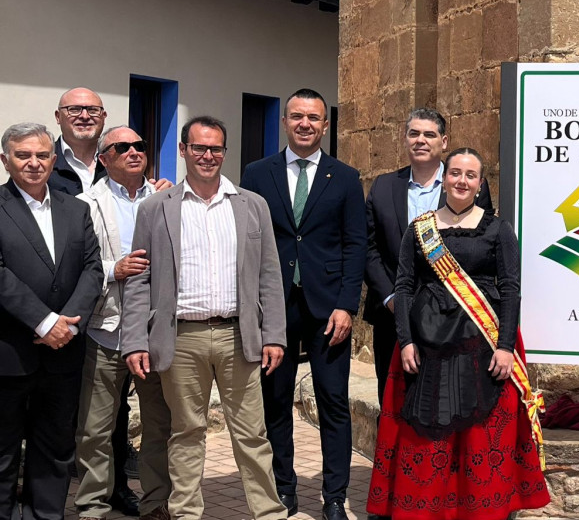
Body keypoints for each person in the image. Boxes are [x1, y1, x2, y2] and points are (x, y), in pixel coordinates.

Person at [121, 116, 288, 520]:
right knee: (186, 433)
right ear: (183, 150)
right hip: (181, 337)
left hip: (238, 335)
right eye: (199, 148)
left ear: (224, 153)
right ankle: (186, 513)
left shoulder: (252, 205)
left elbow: (269, 273)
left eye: (215, 149)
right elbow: (139, 280)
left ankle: (268, 513)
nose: (207, 156)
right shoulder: (155, 208)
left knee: (252, 434)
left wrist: (275, 335)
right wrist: (135, 341)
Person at [367, 148, 548, 520]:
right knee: (430, 432)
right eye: (455, 173)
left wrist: (505, 347)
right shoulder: (421, 229)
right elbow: (403, 287)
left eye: (470, 175)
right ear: (444, 178)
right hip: (428, 344)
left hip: (483, 343)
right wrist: (406, 341)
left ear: (481, 183)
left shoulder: (498, 230)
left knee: (480, 433)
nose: (462, 181)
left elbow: (510, 288)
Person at [241, 88, 366, 520]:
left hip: (328, 308)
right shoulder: (257, 173)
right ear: (285, 121)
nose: (305, 124)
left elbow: (356, 244)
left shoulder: (345, 177)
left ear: (325, 124)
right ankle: (284, 489)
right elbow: (249, 242)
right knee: (275, 402)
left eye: (314, 117)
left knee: (332, 401)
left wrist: (347, 305)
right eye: (297, 116)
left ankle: (334, 495)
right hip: (274, 308)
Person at [0, 122, 104, 520]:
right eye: (23, 155)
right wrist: (44, 322)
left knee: (55, 448)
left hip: (64, 354)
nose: (33, 163)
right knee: (4, 451)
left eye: (42, 155)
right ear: (6, 160)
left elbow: (93, 269)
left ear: (53, 158)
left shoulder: (75, 208)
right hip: (10, 353)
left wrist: (69, 325)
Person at [74, 126, 173, 520]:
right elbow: (75, 267)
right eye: (121, 147)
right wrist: (113, 270)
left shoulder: (168, 199)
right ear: (103, 159)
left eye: (139, 146)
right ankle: (93, 506)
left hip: (155, 330)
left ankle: (155, 502)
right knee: (95, 428)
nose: (133, 152)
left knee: (158, 424)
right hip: (105, 327)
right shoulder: (84, 204)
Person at [363, 108, 493, 406]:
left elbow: (480, 248)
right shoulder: (383, 187)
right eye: (414, 133)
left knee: (446, 400)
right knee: (393, 399)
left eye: (429, 134)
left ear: (444, 141)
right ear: (404, 138)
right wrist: (391, 298)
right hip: (393, 316)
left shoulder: (464, 185)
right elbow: (369, 248)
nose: (421, 140)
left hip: (452, 315)